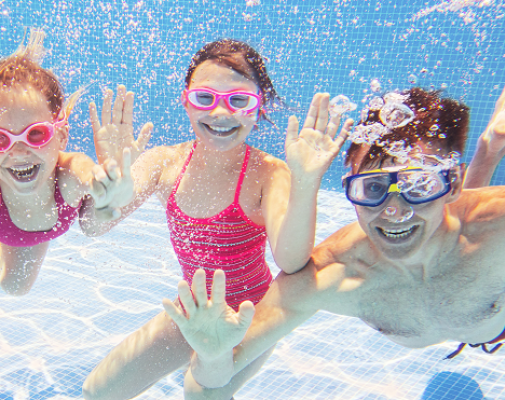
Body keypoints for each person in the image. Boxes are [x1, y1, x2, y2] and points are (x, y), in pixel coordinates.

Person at [163, 86, 505, 399]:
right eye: (372, 189)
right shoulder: (333, 274)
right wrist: (213, 356)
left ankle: (490, 147)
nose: (396, 211)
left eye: (420, 186)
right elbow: (203, 391)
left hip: (495, 326)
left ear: (453, 182)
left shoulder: (496, 227)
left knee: (468, 223)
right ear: (350, 192)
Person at [82, 38, 353, 399]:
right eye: (205, 98)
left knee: (201, 395)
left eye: (239, 101)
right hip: (192, 310)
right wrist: (105, 202)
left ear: (258, 108)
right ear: (186, 101)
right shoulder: (166, 163)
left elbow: (291, 261)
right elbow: (91, 227)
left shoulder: (268, 174)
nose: (221, 114)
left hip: (250, 315)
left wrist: (305, 183)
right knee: (98, 392)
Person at [0, 9, 135, 316]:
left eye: (36, 134)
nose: (18, 152)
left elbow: (91, 183)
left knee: (15, 286)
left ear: (62, 136)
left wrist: (111, 183)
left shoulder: (68, 176)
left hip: (14, 224)